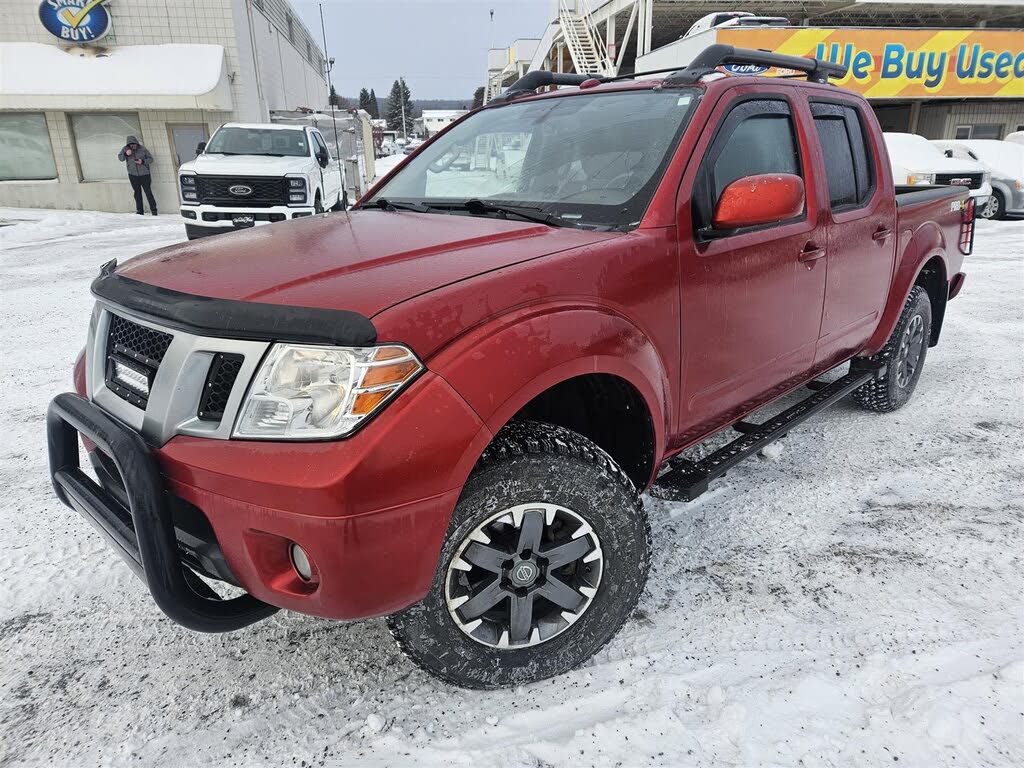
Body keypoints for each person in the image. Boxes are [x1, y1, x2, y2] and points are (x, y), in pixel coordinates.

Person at [117, 135, 157, 215]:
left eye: (134, 144)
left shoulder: (143, 149)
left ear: (136, 143)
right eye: (131, 145)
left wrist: (142, 161)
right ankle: (140, 211)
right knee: (137, 193)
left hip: (145, 175)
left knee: (148, 192)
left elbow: (151, 159)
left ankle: (154, 210)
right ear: (128, 145)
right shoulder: (125, 149)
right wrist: (126, 154)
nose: (133, 146)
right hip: (133, 175)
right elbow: (121, 158)